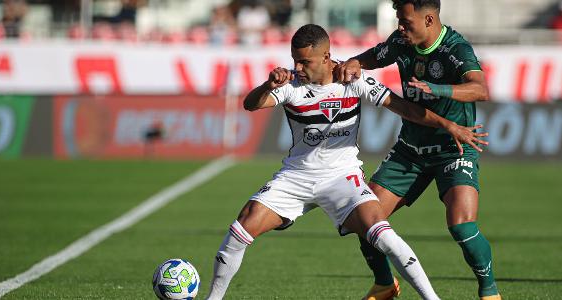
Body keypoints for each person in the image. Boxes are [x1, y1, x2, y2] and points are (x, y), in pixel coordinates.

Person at [205, 24, 488, 300]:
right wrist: (267, 85)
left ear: (327, 57)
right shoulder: (290, 84)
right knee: (242, 227)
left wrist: (449, 125)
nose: (298, 68)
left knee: (383, 235)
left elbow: (404, 108)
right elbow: (251, 104)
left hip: (342, 177)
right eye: (295, 61)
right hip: (296, 177)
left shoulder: (352, 79)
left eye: (305, 62)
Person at [336, 1, 500, 299]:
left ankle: (489, 291)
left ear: (428, 19)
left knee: (462, 226)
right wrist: (355, 62)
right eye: (399, 19)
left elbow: (480, 89)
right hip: (409, 150)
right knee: (364, 219)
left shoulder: (455, 49)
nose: (400, 26)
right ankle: (385, 284)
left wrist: (438, 89)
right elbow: (376, 55)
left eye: (405, 21)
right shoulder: (401, 41)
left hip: (454, 148)